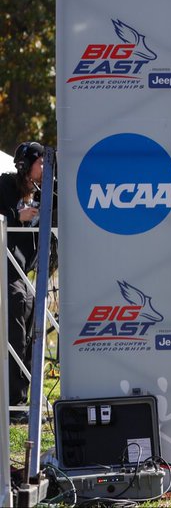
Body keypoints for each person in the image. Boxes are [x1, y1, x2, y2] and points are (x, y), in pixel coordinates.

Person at [0, 142, 44, 415]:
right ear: (26, 165)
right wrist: (18, 215)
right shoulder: (5, 184)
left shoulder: (44, 193)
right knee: (17, 320)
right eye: (40, 162)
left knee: (30, 328)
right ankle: (14, 402)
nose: (44, 168)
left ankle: (24, 396)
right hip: (6, 266)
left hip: (25, 270)